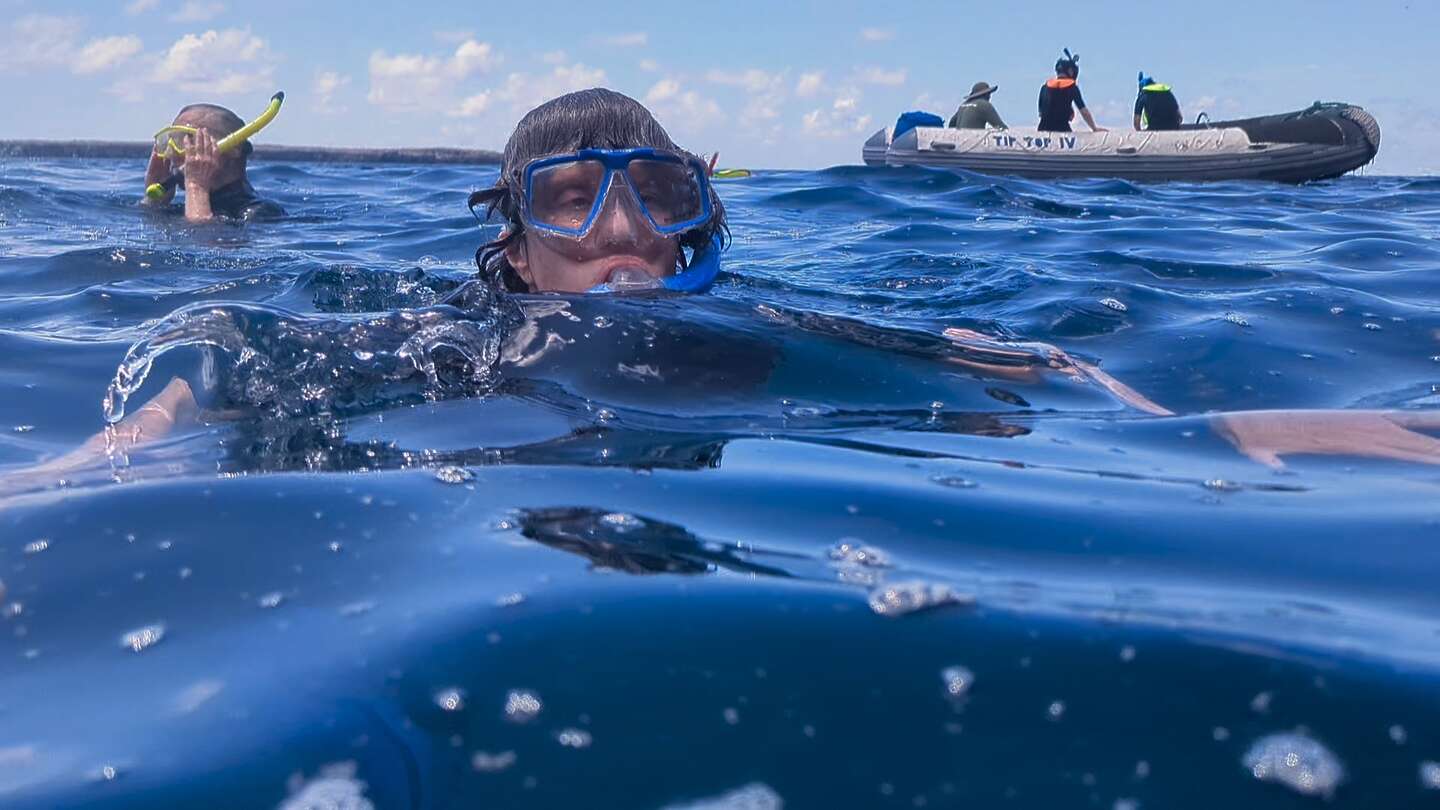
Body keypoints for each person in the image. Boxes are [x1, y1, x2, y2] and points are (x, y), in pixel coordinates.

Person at [468, 88, 727, 294]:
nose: (623, 230)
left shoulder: (736, 339)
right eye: (577, 201)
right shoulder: (464, 347)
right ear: (517, 253)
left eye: (648, 199)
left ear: (681, 234)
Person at [142, 103, 284, 223]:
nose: (170, 153)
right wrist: (155, 202)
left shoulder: (259, 213)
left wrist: (196, 186)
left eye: (187, 140)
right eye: (168, 141)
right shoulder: (182, 208)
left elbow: (202, 243)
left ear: (232, 148)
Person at [1038, 49, 1105, 133]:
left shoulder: (1044, 87)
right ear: (1070, 71)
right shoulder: (1072, 87)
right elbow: (1083, 111)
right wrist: (1094, 128)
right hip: (1062, 128)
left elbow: (1042, 113)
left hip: (1042, 130)